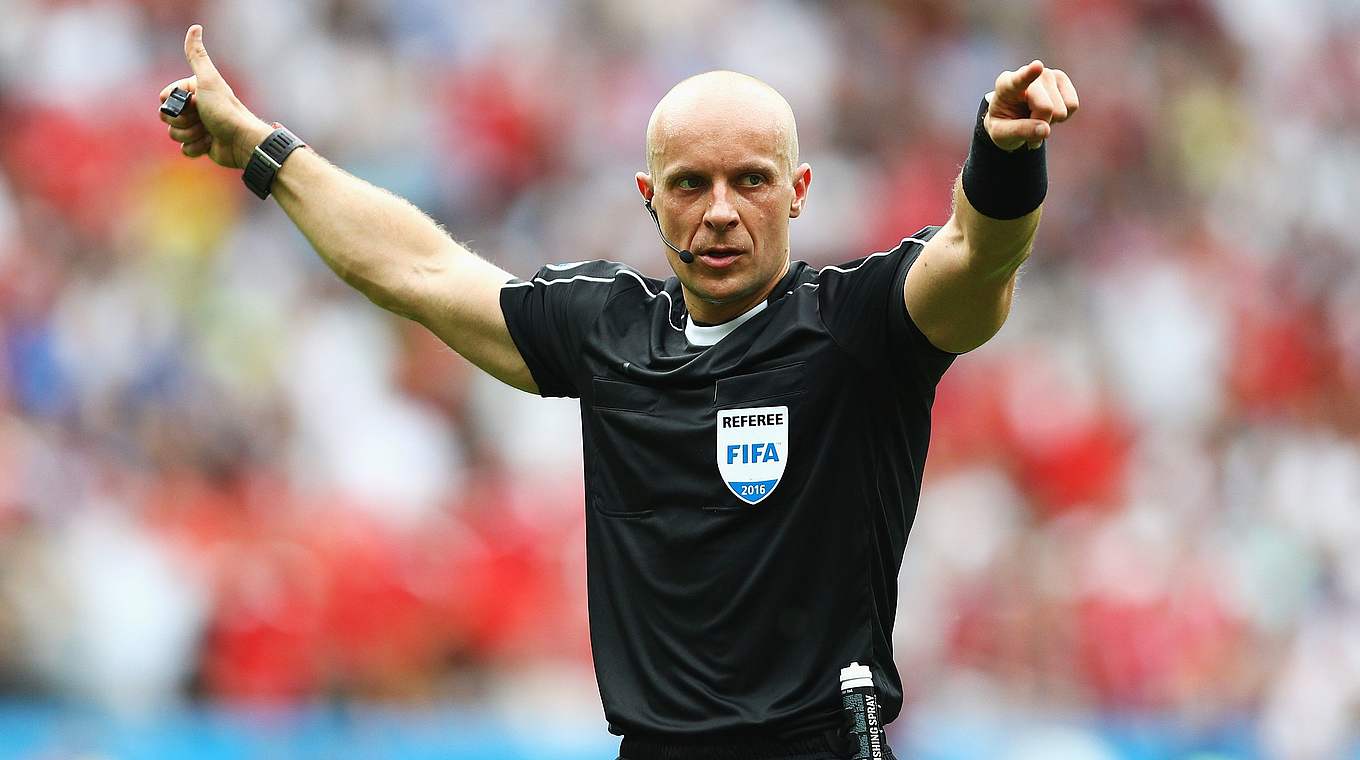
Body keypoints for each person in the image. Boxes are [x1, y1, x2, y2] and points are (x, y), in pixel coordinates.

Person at [160, 23, 1078, 760]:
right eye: (691, 183)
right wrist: (260, 148)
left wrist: (1002, 157)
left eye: (750, 180)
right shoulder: (607, 330)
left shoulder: (858, 328)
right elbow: (417, 269)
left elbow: (974, 259)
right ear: (650, 195)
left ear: (798, 191)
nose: (720, 209)